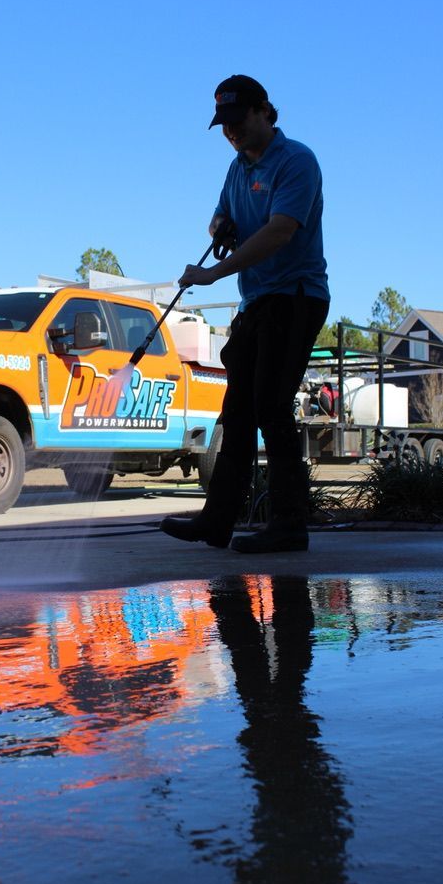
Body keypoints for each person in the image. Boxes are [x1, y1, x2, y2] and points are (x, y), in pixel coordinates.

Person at [160, 74, 330, 552]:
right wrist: (221, 224)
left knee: (271, 407)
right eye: (223, 124)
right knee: (236, 412)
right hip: (258, 301)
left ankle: (289, 526)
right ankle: (217, 522)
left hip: (296, 296)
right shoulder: (237, 168)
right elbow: (218, 215)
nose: (230, 131)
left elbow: (280, 231)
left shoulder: (296, 160)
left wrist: (215, 273)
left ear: (263, 111)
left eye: (237, 120)